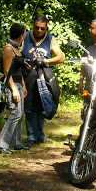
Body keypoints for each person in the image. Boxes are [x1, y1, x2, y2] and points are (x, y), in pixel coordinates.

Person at [22, 14, 65, 145]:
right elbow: (14, 52)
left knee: (43, 105)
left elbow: (61, 57)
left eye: (42, 29)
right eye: (37, 28)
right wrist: (21, 61)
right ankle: (30, 136)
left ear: (46, 28)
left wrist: (46, 60)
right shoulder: (25, 37)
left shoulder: (50, 39)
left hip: (43, 75)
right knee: (29, 106)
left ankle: (40, 135)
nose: (39, 31)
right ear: (33, 26)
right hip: (28, 75)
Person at [0, 23, 29, 154]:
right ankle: (2, 143)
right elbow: (7, 71)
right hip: (11, 84)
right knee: (15, 113)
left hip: (18, 83)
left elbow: (18, 69)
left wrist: (23, 85)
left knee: (20, 114)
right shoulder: (8, 49)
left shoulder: (17, 49)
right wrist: (14, 89)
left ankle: (16, 142)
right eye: (24, 34)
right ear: (21, 35)